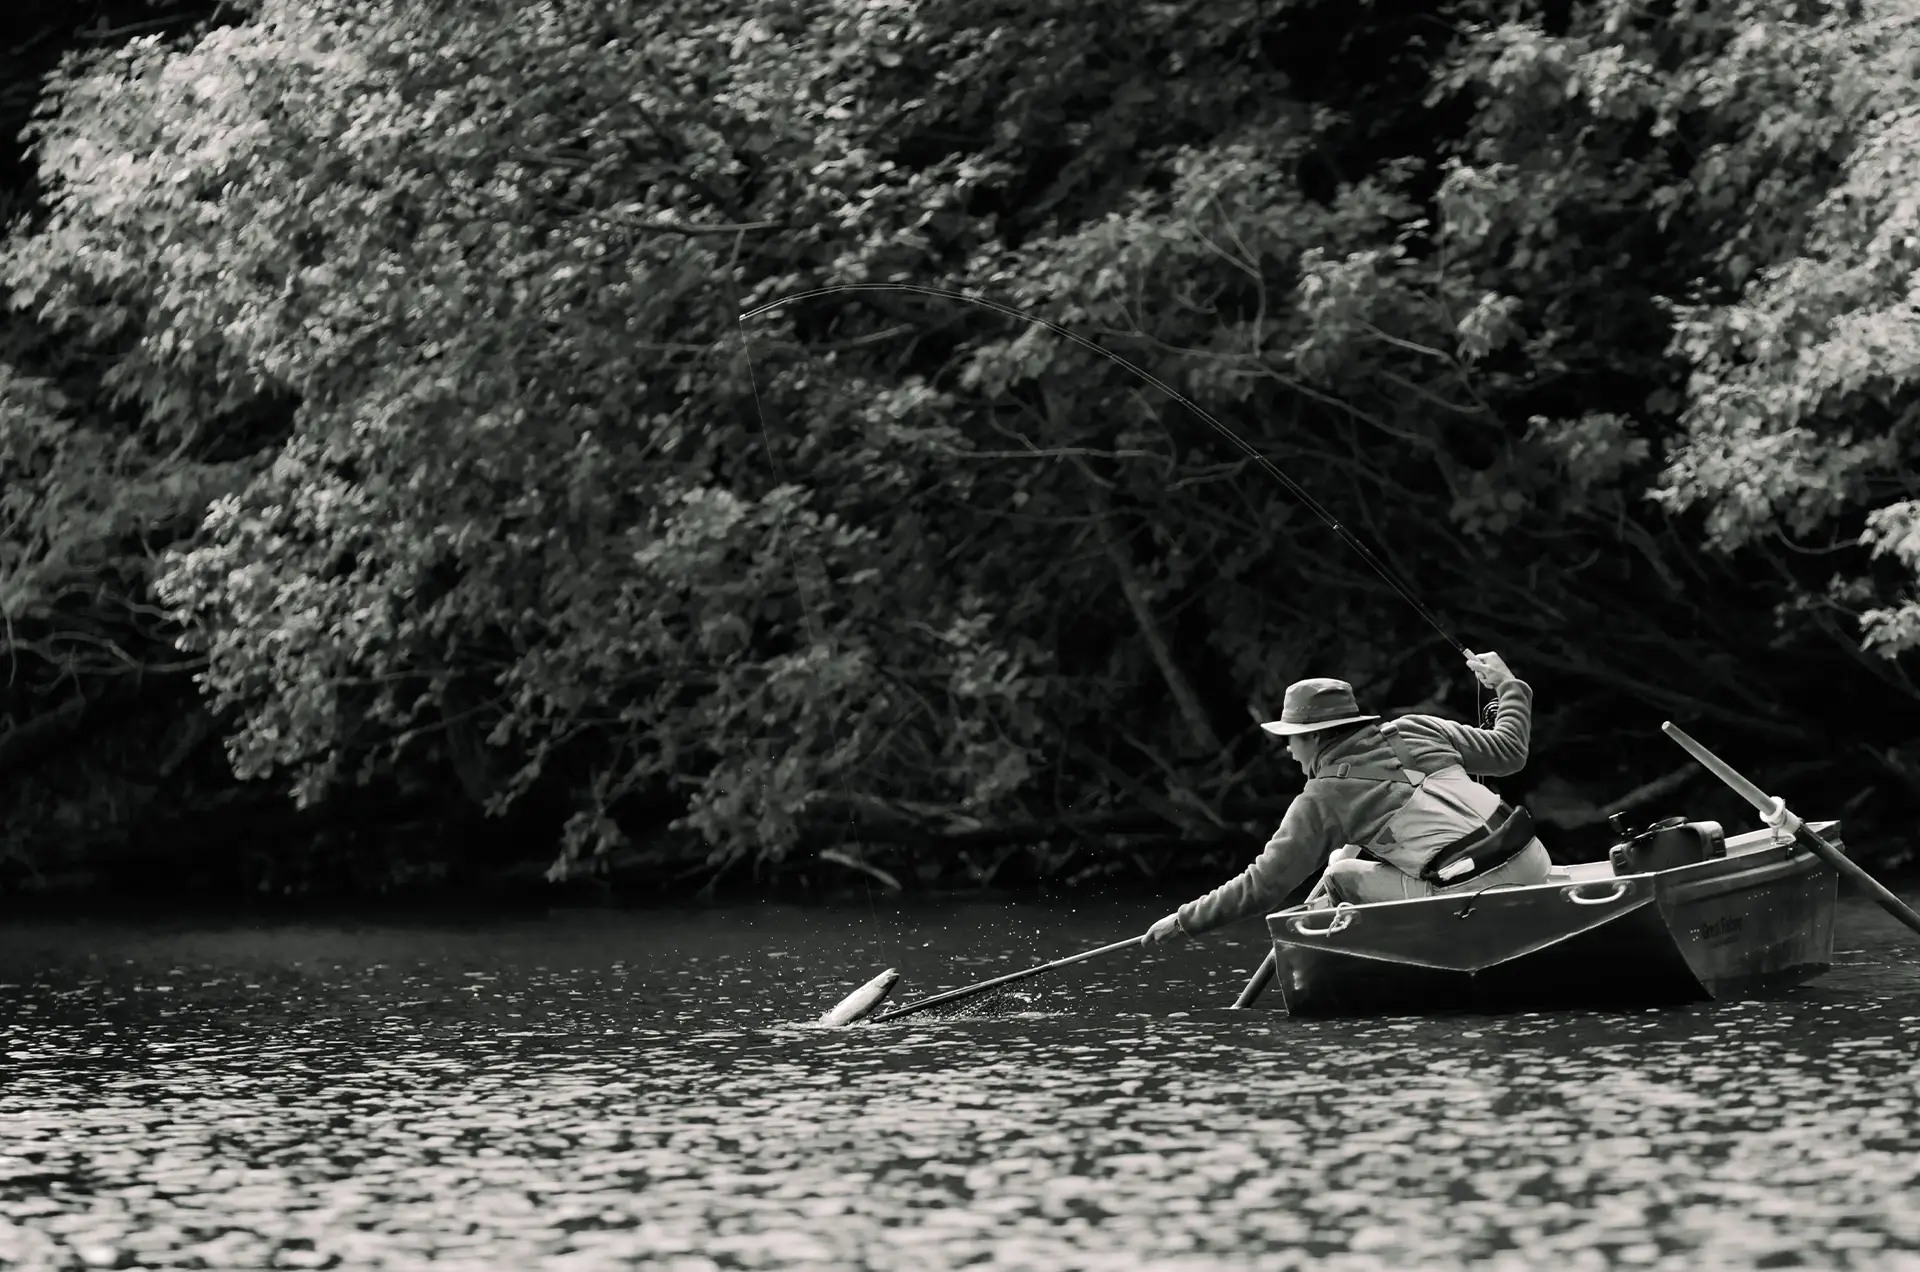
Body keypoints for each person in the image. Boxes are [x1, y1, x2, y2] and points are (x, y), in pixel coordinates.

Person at [1144, 649, 1550, 943]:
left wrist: (1184, 920)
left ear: (1316, 737)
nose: (1287, 750)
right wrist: (1509, 686)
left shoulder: (1323, 799)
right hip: (1534, 862)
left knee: (1339, 874)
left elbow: (1263, 887)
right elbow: (1511, 752)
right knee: (1347, 853)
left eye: (1292, 739)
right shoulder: (1418, 728)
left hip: (1479, 893)